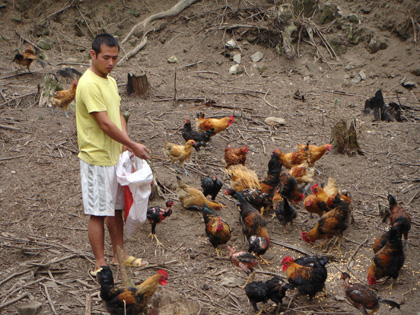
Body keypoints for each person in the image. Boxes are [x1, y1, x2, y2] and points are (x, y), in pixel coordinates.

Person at [76, 33, 151, 276]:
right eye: (106, 57)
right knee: (98, 212)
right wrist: (132, 144)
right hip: (96, 158)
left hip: (114, 157)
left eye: (115, 58)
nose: (110, 63)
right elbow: (105, 124)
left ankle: (120, 255)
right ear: (93, 55)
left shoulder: (109, 81)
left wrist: (126, 144)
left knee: (115, 209)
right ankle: (100, 263)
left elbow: (118, 114)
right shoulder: (88, 84)